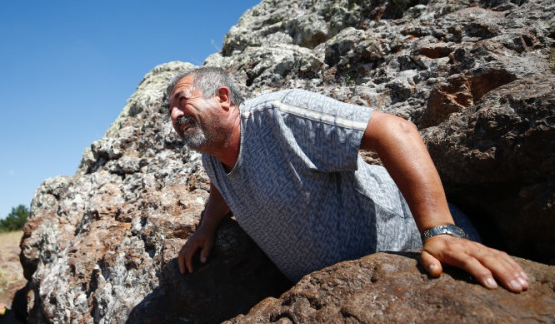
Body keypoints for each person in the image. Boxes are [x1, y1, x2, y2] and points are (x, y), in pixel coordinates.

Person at [167, 67, 530, 293]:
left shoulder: (279, 117)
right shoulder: (212, 159)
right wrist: (206, 228)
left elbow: (395, 130)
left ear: (224, 98)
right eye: (168, 109)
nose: (174, 114)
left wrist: (440, 232)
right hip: (350, 294)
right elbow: (223, 190)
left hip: (416, 258)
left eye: (182, 100)